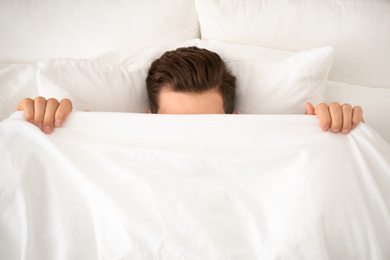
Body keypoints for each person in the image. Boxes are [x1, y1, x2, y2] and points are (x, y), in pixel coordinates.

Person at [16, 46, 364, 135]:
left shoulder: (260, 144)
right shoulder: (116, 142)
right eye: (175, 125)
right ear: (148, 119)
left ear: (235, 119)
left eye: (208, 125)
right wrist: (50, 130)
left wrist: (332, 133)